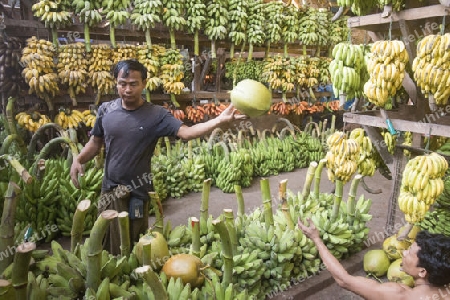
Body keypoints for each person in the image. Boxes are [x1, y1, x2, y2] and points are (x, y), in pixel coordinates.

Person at [70, 59, 246, 255]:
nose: (127, 89)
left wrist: (219, 121)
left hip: (138, 189)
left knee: (137, 243)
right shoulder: (105, 110)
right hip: (110, 189)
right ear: (116, 82)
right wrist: (78, 159)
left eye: (133, 84)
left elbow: (187, 133)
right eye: (122, 83)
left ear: (144, 83)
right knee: (108, 241)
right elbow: (95, 143)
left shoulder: (156, 115)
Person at [298, 218, 450, 300]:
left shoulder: (398, 294)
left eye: (409, 252)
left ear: (422, 271)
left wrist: (316, 239)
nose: (403, 253)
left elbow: (344, 280)